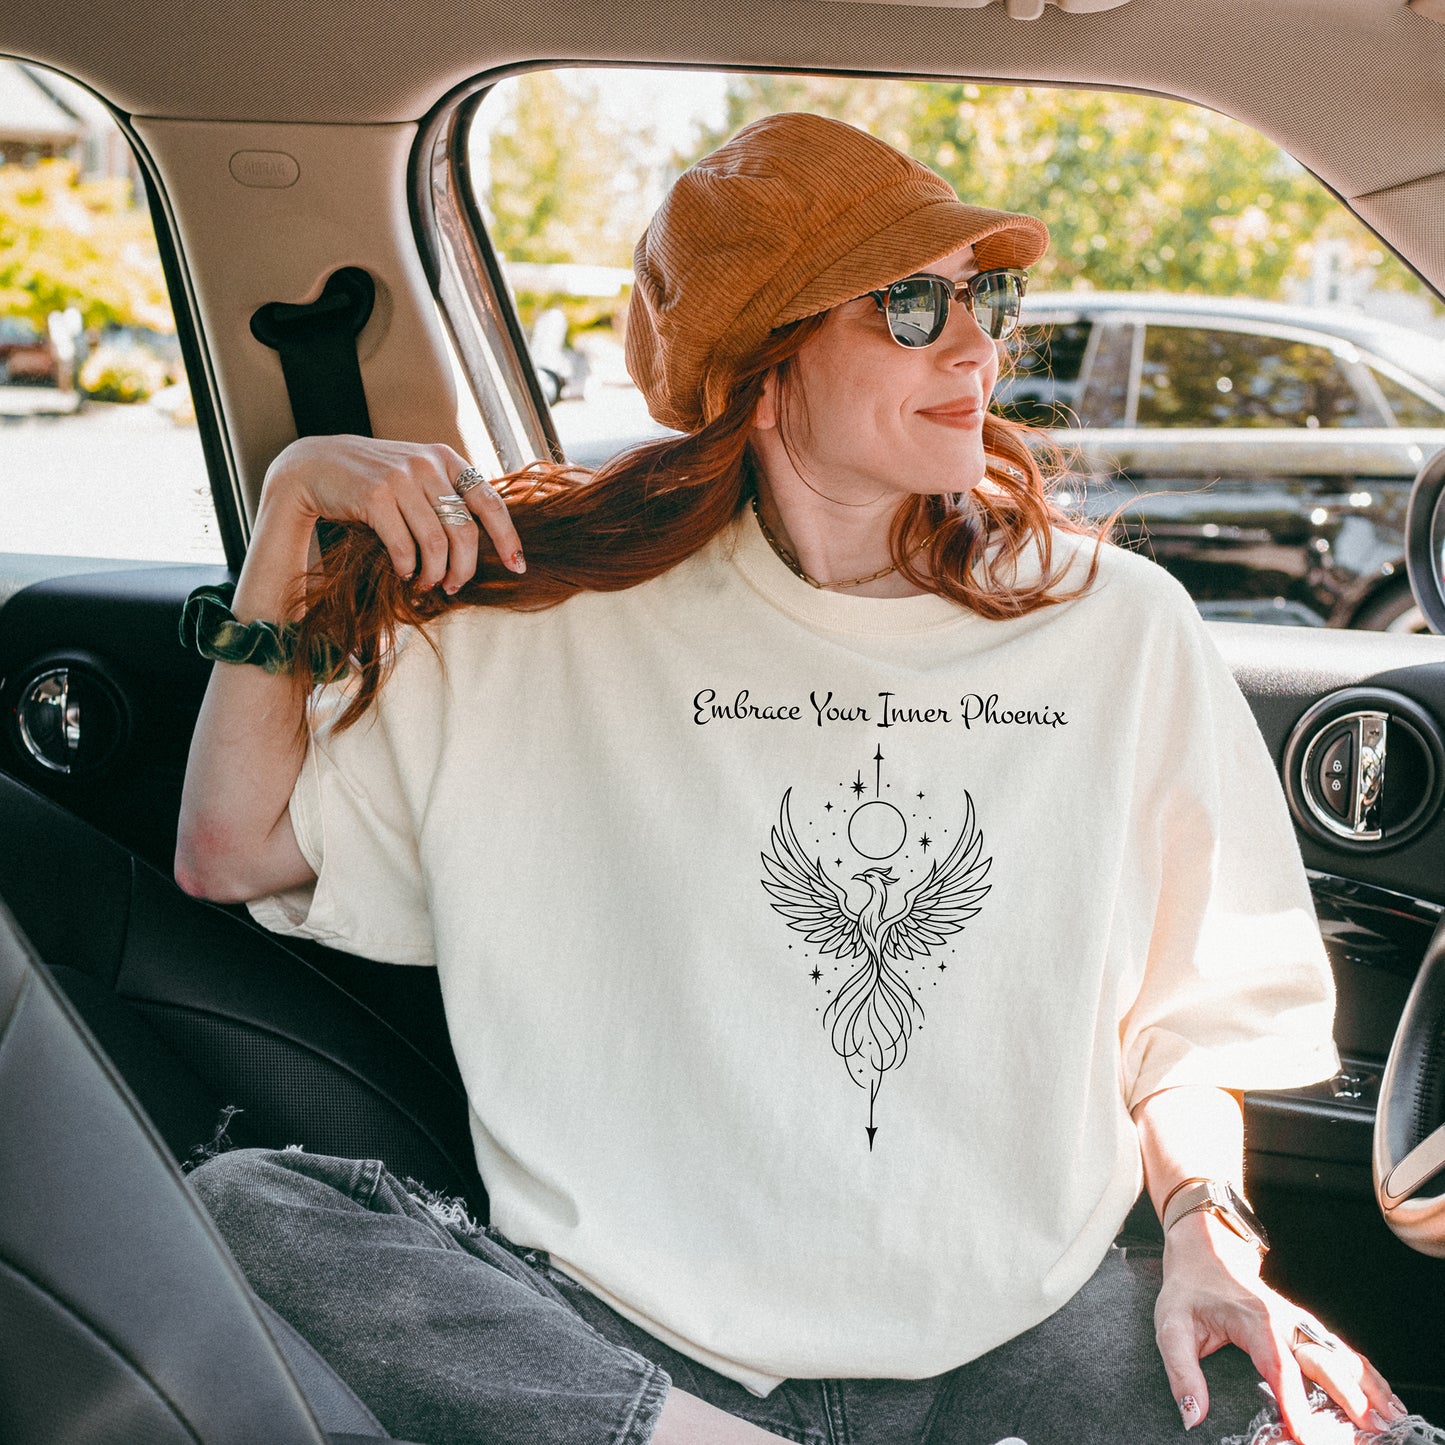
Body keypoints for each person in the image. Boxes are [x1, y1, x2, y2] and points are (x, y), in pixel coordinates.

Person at [175, 111, 1419, 1445]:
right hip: (627, 1348)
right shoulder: (538, 634)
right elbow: (229, 849)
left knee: (1347, 1422)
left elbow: (1192, 1020)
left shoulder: (1117, 628)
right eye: (908, 303)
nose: (975, 343)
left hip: (1018, 1339)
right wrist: (292, 510)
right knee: (247, 1212)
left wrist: (1206, 1237)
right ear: (763, 372)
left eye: (981, 296)